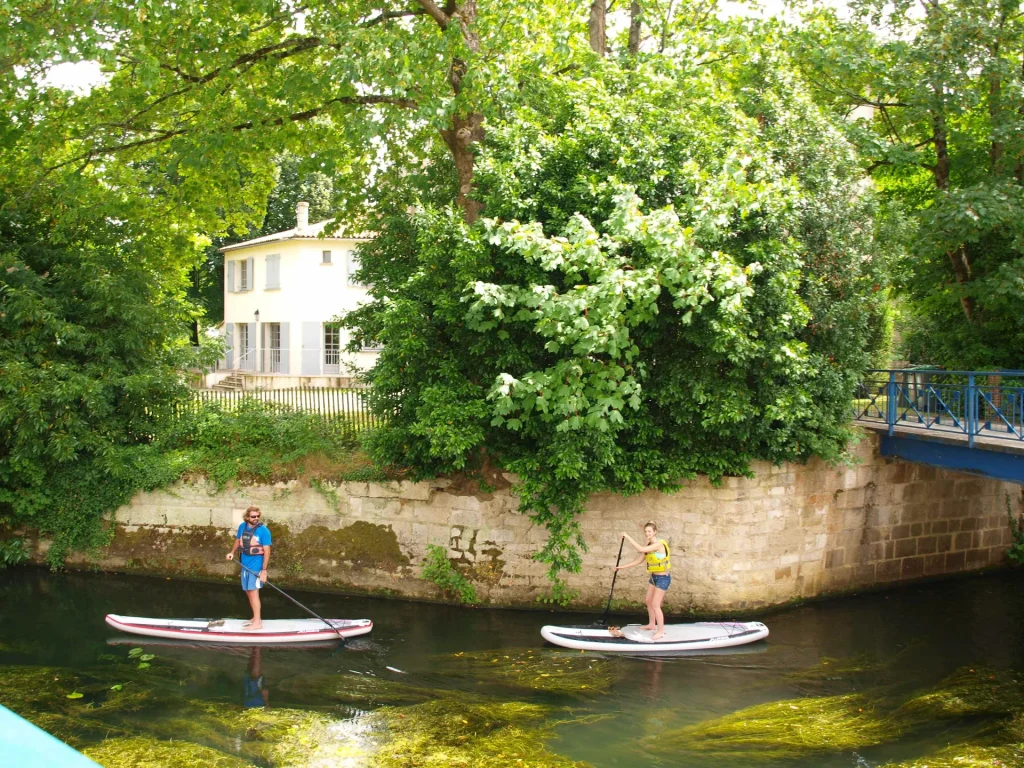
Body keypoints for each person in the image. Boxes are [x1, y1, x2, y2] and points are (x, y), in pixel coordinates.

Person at [615, 521, 671, 641]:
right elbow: (639, 560)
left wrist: (628, 536)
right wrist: (621, 567)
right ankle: (651, 624)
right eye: (645, 531)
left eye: (649, 531)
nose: (647, 533)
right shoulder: (649, 546)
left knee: (656, 604)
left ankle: (660, 631)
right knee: (648, 600)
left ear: (655, 532)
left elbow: (640, 548)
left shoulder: (658, 544)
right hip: (654, 577)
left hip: (663, 578)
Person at [226, 506, 272, 630]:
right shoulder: (242, 526)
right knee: (248, 592)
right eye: (253, 516)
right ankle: (254, 618)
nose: (256, 518)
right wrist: (232, 552)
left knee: (253, 593)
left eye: (258, 516)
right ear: (247, 517)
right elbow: (237, 541)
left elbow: (267, 551)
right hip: (245, 564)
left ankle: (258, 622)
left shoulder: (264, 531)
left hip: (256, 566)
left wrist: (264, 571)